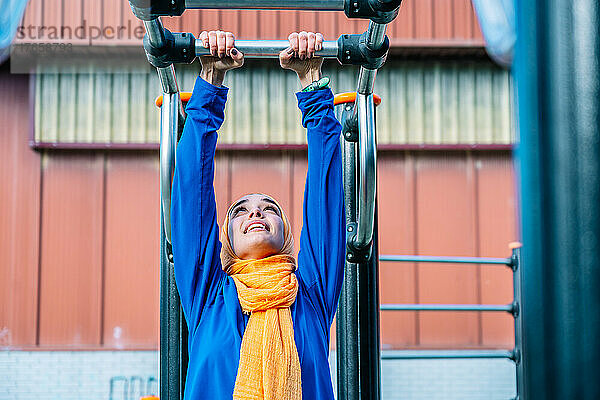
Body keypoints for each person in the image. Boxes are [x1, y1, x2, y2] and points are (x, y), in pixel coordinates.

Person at [171, 30, 345, 400]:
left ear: (286, 236)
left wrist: (312, 85)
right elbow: (192, 190)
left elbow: (325, 196)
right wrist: (210, 81)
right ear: (227, 241)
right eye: (241, 211)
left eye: (269, 208)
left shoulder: (309, 296)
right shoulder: (209, 296)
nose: (256, 212)